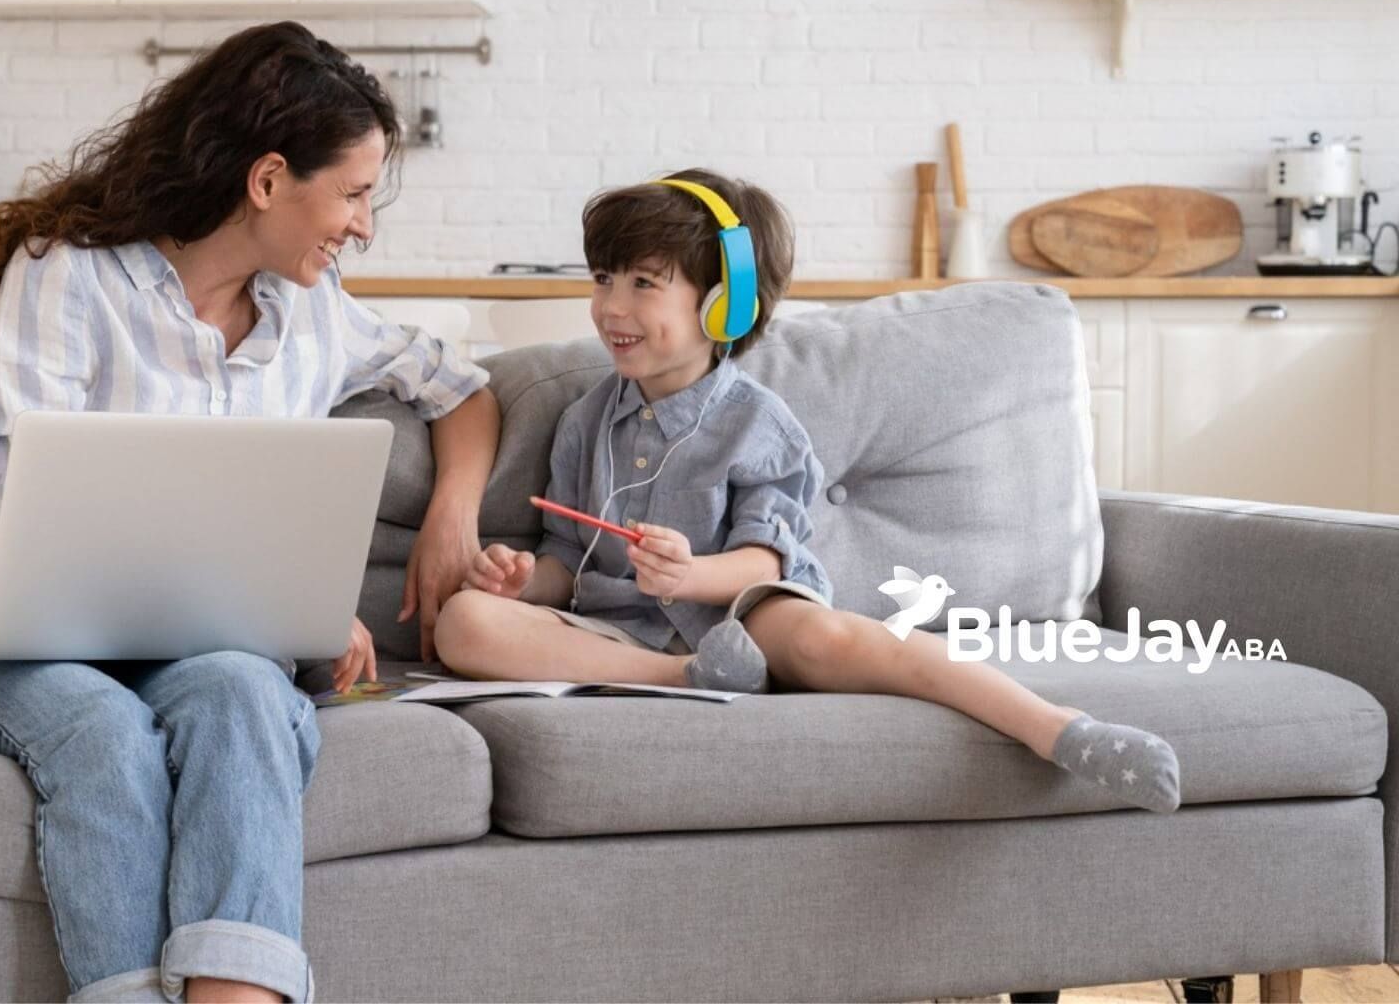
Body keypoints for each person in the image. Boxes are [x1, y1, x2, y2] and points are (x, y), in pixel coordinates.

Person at [0, 21, 500, 1003]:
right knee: (104, 730)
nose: (364, 226)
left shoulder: (314, 309)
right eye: (355, 193)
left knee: (245, 694)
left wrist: (451, 517)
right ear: (268, 180)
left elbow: (462, 390)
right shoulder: (68, 274)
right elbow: (30, 501)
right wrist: (274, 600)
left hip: (190, 654)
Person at [432, 167, 1180, 816]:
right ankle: (684, 679)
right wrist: (524, 581)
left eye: (643, 284)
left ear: (725, 305)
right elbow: (568, 558)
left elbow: (765, 559)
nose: (611, 307)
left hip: (745, 614)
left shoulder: (758, 422)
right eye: (604, 280)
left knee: (830, 638)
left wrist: (691, 575)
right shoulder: (584, 420)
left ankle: (1056, 727)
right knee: (465, 622)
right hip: (617, 633)